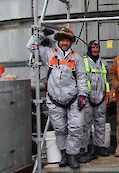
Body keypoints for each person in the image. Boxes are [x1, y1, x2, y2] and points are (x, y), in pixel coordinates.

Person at [27, 27, 88, 169]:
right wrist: (40, 34)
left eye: (67, 40)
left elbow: (82, 77)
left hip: (73, 100)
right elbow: (30, 46)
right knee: (60, 129)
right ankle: (64, 156)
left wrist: (83, 95)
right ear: (58, 41)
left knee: (76, 128)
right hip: (55, 100)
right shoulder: (48, 53)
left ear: (70, 42)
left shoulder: (76, 58)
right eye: (62, 40)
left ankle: (72, 156)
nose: (65, 43)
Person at [79, 40, 110, 163]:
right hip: (86, 99)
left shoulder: (103, 62)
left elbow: (106, 79)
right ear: (89, 48)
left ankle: (99, 147)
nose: (95, 50)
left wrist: (106, 95)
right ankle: (84, 148)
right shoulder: (83, 61)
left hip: (100, 99)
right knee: (84, 125)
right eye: (93, 47)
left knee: (100, 123)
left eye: (97, 48)